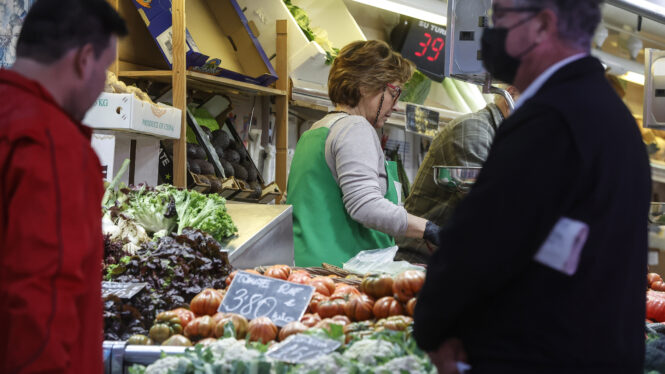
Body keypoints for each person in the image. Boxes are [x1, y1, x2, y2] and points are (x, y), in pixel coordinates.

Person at [413, 0, 651, 373]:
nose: (492, 31)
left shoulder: (551, 117)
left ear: (542, 25)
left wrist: (432, 327)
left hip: (535, 354)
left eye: (502, 18)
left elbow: (484, 240)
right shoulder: (612, 117)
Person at [0, 0, 127, 372]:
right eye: (104, 70)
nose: (101, 86)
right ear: (83, 59)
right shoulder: (53, 146)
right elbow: (42, 302)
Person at [286, 40, 440, 267]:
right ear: (365, 86)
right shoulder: (354, 128)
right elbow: (365, 205)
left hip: (308, 269)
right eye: (393, 92)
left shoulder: (317, 129)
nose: (396, 105)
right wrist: (428, 229)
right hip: (341, 274)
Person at [397, 86, 518, 262]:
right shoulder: (473, 130)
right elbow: (488, 208)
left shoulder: (506, 137)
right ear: (510, 93)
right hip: (421, 260)